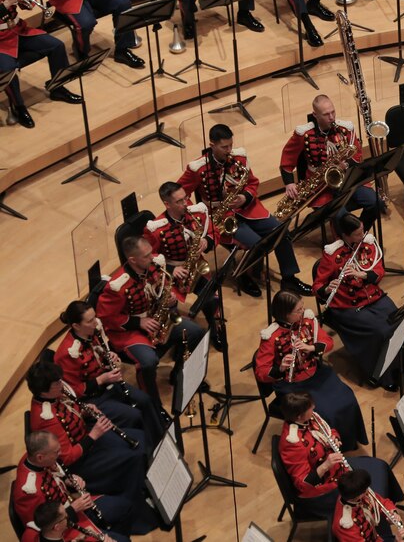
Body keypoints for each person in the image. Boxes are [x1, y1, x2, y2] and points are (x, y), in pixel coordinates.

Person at [178, 123, 312, 297]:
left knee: (281, 231)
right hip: (221, 218)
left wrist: (245, 197)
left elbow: (252, 182)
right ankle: (245, 276)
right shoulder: (198, 168)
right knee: (256, 243)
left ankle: (289, 277)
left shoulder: (239, 158)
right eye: (224, 147)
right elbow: (180, 194)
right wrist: (200, 215)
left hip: (248, 208)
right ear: (212, 146)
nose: (229, 150)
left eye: (230, 145)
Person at [24, 369, 159, 536]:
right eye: (57, 383)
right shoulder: (46, 419)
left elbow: (69, 414)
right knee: (133, 456)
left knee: (139, 437)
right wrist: (94, 435)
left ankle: (146, 485)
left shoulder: (53, 395)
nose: (62, 384)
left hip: (85, 439)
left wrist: (83, 411)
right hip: (80, 460)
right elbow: (66, 457)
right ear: (44, 391)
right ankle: (136, 503)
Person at [96, 236, 205, 405]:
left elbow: (159, 290)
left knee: (195, 332)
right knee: (148, 362)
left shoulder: (153, 267)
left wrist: (170, 300)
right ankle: (152, 402)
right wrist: (138, 322)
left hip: (156, 318)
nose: (152, 257)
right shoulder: (117, 286)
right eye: (146, 256)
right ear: (132, 260)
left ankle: (178, 373)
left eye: (150, 253)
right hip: (130, 331)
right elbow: (106, 317)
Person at [313, 214, 404, 390]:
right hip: (348, 306)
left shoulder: (367, 244)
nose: (363, 237)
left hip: (374, 297)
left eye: (362, 232)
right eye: (357, 234)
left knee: (400, 320)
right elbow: (317, 286)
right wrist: (327, 288)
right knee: (380, 331)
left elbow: (379, 271)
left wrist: (363, 274)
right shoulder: (332, 255)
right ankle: (382, 374)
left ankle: (400, 367)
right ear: (345, 235)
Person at [255, 291, 366, 450]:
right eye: (298, 310)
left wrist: (311, 347)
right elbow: (261, 372)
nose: (303, 312)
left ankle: (349, 440)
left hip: (316, 373)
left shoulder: (307, 322)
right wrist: (280, 368)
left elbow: (328, 342)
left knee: (348, 397)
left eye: (302, 308)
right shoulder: (271, 337)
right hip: (292, 386)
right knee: (326, 412)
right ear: (285, 314)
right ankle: (333, 449)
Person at [54, 300, 165, 451]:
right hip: (92, 399)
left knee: (145, 400)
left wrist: (110, 356)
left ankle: (162, 442)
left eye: (95, 317)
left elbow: (98, 354)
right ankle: (148, 452)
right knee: (134, 415)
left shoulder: (93, 331)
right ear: (76, 326)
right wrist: (102, 379)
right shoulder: (66, 354)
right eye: (90, 321)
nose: (96, 322)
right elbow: (72, 391)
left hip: (109, 384)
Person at [277, 391, 400, 519]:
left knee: (380, 465)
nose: (314, 407)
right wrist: (326, 465)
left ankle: (389, 508)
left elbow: (329, 431)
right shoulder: (292, 444)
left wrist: (334, 438)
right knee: (367, 489)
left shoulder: (310, 418)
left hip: (336, 468)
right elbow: (303, 484)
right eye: (310, 407)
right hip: (322, 488)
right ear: (298, 416)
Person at [143, 181, 224, 350]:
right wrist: (172, 269)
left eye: (185, 198)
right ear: (167, 204)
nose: (185, 203)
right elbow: (149, 257)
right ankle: (179, 342)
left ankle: (215, 328)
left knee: (211, 297)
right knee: (169, 306)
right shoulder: (156, 229)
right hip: (170, 273)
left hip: (196, 266)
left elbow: (213, 232)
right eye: (179, 201)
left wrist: (206, 241)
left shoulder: (195, 213)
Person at [280, 94, 381, 228]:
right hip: (320, 187)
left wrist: (345, 165)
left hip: (346, 179)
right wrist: (289, 184)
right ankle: (346, 238)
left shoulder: (345, 130)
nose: (332, 117)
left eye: (333, 112)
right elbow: (287, 159)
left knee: (376, 203)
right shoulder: (304, 134)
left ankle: (359, 234)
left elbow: (357, 156)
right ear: (315, 115)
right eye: (326, 114)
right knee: (340, 216)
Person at [13, 432, 132, 541]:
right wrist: (72, 510)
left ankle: (111, 533)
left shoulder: (36, 458)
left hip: (73, 503)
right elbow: (42, 527)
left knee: (124, 506)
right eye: (56, 452)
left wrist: (67, 479)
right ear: (40, 457)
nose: (60, 455)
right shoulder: (28, 491)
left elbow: (53, 474)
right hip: (65, 528)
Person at [0, 0, 81, 128]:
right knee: (7, 69)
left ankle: (58, 87)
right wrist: (6, 4)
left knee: (56, 45)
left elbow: (26, 5)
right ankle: (19, 107)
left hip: (18, 31)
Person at [332, 469, 404, 542]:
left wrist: (393, 513)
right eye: (365, 490)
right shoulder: (345, 526)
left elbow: (383, 502)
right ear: (359, 495)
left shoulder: (354, 494)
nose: (368, 491)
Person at [21, 499, 123, 542]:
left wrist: (77, 539)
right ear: (57, 527)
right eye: (66, 517)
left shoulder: (36, 534)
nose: (69, 517)